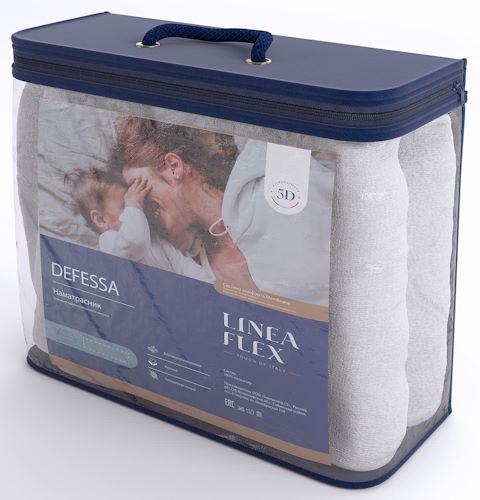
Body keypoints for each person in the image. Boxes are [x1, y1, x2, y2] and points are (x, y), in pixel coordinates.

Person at [109, 117, 333, 305]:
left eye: (138, 188)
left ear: (173, 167)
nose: (137, 203)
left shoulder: (271, 187)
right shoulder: (199, 269)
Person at [68, 167, 212, 282]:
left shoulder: (153, 239)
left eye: (135, 203)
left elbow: (183, 266)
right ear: (101, 220)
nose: (138, 208)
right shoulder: (109, 244)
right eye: (125, 205)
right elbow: (136, 242)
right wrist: (133, 203)